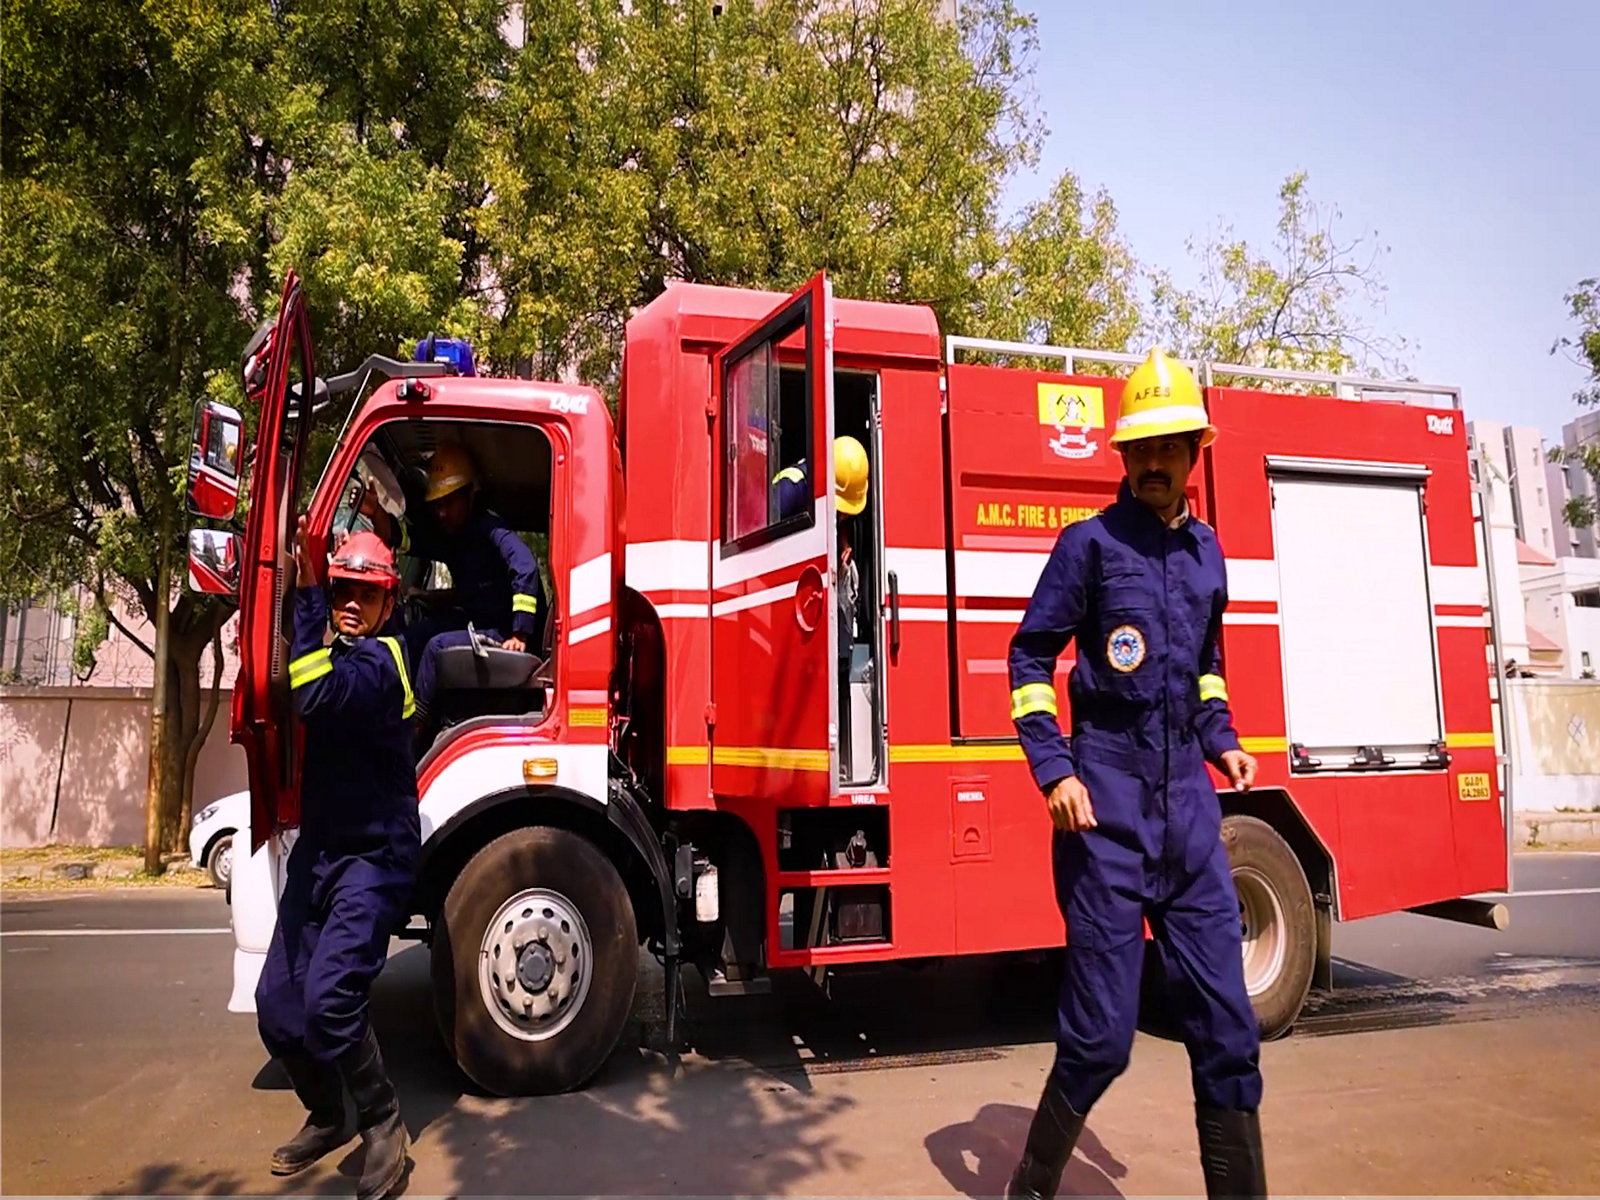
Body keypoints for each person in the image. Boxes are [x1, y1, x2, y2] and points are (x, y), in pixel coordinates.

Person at [1004, 348, 1265, 1200]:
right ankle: (1030, 1188)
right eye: (1140, 451)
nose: (1153, 465)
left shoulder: (1208, 556)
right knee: (1101, 1039)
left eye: (1169, 448)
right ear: (1121, 458)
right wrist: (1054, 769)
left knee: (1229, 1028)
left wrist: (1220, 733)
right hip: (1104, 818)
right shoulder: (1088, 547)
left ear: (1195, 453)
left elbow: (1207, 663)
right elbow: (1030, 655)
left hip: (1188, 815)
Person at [255, 524, 419, 1200]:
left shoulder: (386, 662)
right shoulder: (343, 651)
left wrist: (310, 593)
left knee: (330, 1004)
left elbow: (314, 692)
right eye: (344, 589)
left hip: (372, 860)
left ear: (389, 602)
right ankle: (328, 1114)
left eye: (365, 593)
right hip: (321, 856)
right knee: (277, 1009)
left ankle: (382, 1121)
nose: (352, 603)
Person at [370, 443, 545, 748]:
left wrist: (519, 632)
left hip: (502, 630)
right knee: (415, 636)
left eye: (448, 502)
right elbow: (412, 541)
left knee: (436, 646)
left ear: (469, 495)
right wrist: (377, 515)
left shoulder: (490, 529)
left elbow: (526, 568)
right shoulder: (455, 535)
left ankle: (414, 732)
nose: (441, 511)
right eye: (437, 504)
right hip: (479, 621)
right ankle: (388, 711)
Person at [772, 436, 870, 778]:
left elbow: (839, 514)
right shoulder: (789, 489)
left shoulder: (834, 491)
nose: (844, 515)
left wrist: (843, 541)